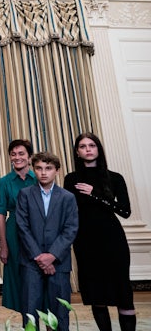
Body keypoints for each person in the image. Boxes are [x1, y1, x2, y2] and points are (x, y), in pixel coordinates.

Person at [64, 133, 136, 331]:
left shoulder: (115, 178)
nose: (88, 149)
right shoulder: (71, 179)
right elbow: (69, 212)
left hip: (112, 240)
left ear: (98, 149)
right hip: (85, 242)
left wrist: (94, 194)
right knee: (96, 294)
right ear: (77, 152)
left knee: (122, 292)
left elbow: (125, 211)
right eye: (83, 146)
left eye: (92, 145)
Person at [17, 152, 78, 331]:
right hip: (31, 261)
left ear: (57, 171)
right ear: (33, 170)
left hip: (59, 262)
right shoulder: (25, 194)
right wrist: (39, 256)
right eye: (39, 168)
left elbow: (70, 229)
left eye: (48, 168)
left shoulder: (67, 197)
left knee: (60, 312)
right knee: (30, 311)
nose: (44, 173)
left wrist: (52, 255)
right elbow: (22, 227)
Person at [0, 139, 36, 321]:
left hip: (38, 231)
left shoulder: (38, 177)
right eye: (13, 154)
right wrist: (3, 245)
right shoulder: (3, 182)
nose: (17, 157)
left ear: (29, 157)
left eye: (21, 153)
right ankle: (29, 324)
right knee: (21, 280)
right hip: (14, 233)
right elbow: (1, 215)